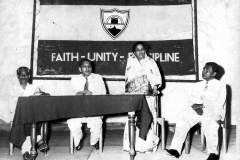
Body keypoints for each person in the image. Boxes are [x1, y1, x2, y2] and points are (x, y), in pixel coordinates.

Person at [165, 62, 226, 160]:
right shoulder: (197, 85)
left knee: (210, 124)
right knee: (182, 120)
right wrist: (195, 107)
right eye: (203, 69)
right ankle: (175, 150)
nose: (204, 71)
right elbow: (191, 99)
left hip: (213, 112)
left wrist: (202, 106)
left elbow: (218, 102)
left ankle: (213, 154)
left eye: (207, 70)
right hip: (196, 110)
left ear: (214, 74)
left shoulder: (220, 85)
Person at [123, 41, 162, 153]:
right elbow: (128, 80)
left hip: (149, 96)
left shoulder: (151, 62)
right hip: (135, 97)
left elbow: (157, 76)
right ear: (134, 52)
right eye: (138, 50)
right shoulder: (130, 63)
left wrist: (155, 87)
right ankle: (131, 145)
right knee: (133, 118)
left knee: (148, 117)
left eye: (142, 49)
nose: (140, 52)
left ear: (145, 50)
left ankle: (148, 146)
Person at [67, 59, 106, 151]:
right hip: (78, 109)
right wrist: (76, 93)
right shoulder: (74, 79)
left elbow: (104, 93)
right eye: (84, 66)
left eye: (89, 66)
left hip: (94, 109)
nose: (87, 68)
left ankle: (95, 141)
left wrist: (92, 93)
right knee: (72, 122)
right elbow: (68, 93)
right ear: (80, 69)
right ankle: (78, 140)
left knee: (97, 122)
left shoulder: (98, 78)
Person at [15, 66, 49, 160]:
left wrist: (40, 95)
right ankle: (39, 140)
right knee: (29, 120)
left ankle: (26, 151)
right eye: (20, 74)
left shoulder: (33, 87)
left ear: (29, 76)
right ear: (17, 76)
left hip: (30, 116)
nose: (23, 76)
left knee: (33, 118)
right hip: (17, 116)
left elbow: (45, 95)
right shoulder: (12, 88)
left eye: (25, 74)